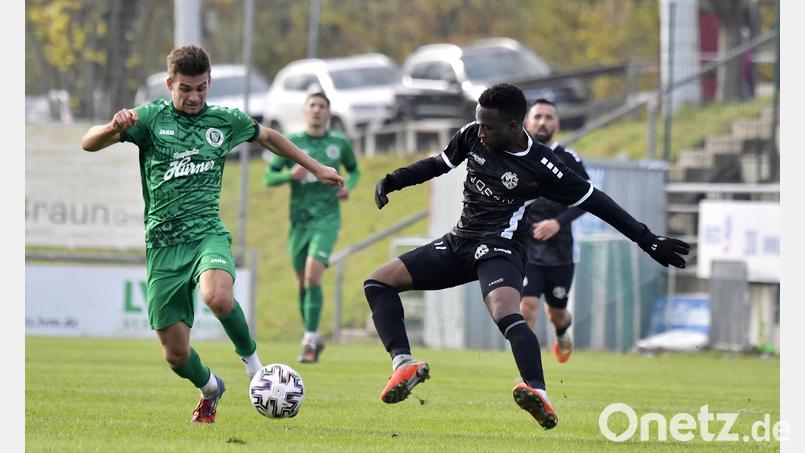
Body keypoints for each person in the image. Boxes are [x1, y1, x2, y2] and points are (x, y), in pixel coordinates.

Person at [367, 83, 688, 430]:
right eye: (479, 122)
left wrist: (648, 239)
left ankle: (537, 391)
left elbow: (598, 202)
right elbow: (438, 164)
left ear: (514, 126)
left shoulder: (544, 166)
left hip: (501, 247)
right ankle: (404, 363)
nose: (481, 131)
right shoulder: (472, 135)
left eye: (489, 126)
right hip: (459, 241)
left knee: (507, 313)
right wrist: (394, 180)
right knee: (378, 282)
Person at [80, 45, 343, 424]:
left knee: (217, 297)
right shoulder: (151, 118)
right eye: (186, 88)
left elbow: (268, 137)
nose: (194, 97)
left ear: (209, 83)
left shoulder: (223, 120)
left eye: (201, 88)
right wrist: (112, 127)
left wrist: (316, 167)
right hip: (163, 246)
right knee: (176, 356)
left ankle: (256, 370)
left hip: (207, 234)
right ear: (171, 83)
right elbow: (88, 142)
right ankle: (210, 388)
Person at [264, 91, 360, 364]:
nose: (317, 110)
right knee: (302, 285)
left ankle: (308, 339)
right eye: (312, 106)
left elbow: (354, 170)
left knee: (312, 276)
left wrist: (348, 188)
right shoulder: (292, 143)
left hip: (327, 220)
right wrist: (288, 175)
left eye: (322, 106)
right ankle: (313, 335)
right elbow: (268, 178)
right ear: (305, 112)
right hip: (299, 222)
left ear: (328, 113)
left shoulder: (339, 142)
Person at [520, 98, 590, 364]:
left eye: (549, 117)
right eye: (537, 116)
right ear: (527, 122)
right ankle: (529, 372)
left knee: (557, 313)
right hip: (526, 247)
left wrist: (558, 222)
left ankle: (562, 332)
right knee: (526, 309)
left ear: (557, 124)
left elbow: (590, 201)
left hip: (561, 250)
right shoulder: (518, 156)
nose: (542, 122)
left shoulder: (569, 159)